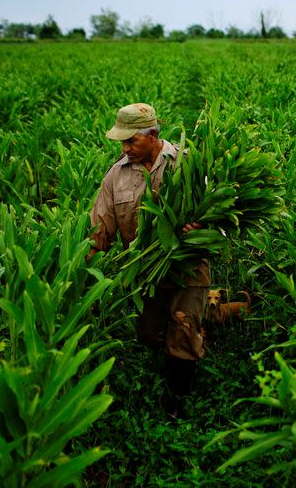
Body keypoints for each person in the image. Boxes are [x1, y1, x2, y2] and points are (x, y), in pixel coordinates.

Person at [89, 102, 210, 419]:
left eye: (132, 141)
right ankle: (216, 309)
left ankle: (177, 399)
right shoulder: (115, 176)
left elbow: (216, 211)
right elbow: (99, 228)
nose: (125, 148)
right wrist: (79, 265)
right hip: (147, 270)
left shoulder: (186, 163)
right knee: (149, 334)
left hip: (187, 262)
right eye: (122, 142)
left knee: (182, 328)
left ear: (153, 134)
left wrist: (200, 225)